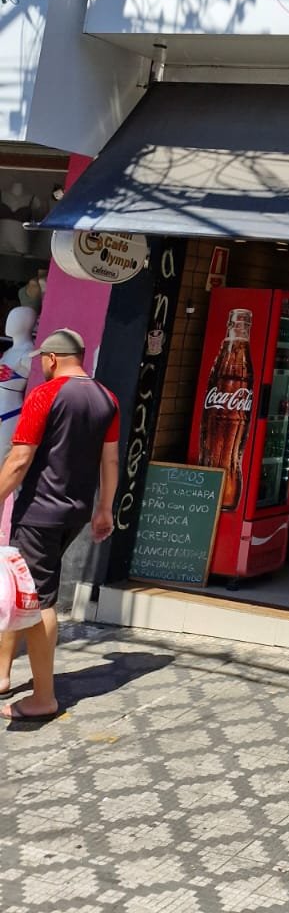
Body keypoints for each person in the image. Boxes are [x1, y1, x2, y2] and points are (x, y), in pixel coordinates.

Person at [0, 329, 119, 721]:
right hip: (75, 512)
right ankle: (2, 673)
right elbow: (110, 461)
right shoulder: (107, 398)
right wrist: (104, 509)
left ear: (52, 358)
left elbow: (19, 460)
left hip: (39, 512)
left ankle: (43, 698)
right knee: (22, 588)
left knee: (38, 600)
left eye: (44, 361)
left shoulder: (45, 394)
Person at [0, 306, 37, 462]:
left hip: (10, 412)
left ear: (27, 323)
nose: (9, 322)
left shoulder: (28, 354)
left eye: (14, 318)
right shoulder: (9, 352)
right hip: (4, 408)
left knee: (2, 457)